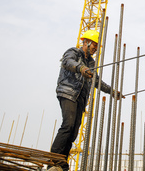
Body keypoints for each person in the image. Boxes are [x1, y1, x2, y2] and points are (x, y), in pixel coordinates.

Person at [48, 30, 122, 171]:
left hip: (81, 98)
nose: (95, 49)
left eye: (96, 46)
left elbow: (96, 81)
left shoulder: (92, 62)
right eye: (94, 45)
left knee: (74, 132)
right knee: (68, 125)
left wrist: (112, 91)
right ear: (86, 42)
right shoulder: (73, 52)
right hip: (68, 92)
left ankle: (61, 161)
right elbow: (67, 62)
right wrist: (81, 68)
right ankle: (53, 160)